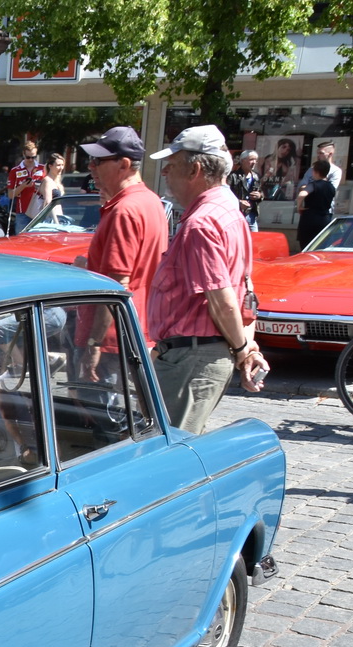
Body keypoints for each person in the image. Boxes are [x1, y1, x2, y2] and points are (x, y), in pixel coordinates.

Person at [146, 125, 266, 435]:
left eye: (171, 166)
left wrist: (243, 350)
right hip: (194, 355)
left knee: (168, 456)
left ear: (195, 170)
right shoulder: (228, 211)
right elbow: (245, 292)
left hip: (192, 360)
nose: (165, 174)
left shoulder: (202, 222)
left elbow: (223, 298)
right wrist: (247, 348)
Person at [73, 126, 168, 380]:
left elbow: (115, 286)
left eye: (98, 160)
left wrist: (95, 343)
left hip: (112, 341)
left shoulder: (124, 210)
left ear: (124, 164)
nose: (91, 167)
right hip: (134, 331)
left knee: (96, 416)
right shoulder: (149, 201)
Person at [295, 159, 337, 250]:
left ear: (315, 172)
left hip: (310, 218)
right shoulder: (331, 187)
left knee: (306, 247)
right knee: (320, 248)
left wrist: (299, 207)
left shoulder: (313, 185)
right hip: (325, 219)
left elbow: (301, 195)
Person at [7, 141, 44, 232]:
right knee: (21, 241)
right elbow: (10, 195)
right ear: (23, 154)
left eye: (33, 157)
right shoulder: (15, 171)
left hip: (40, 210)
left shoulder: (43, 168)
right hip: (22, 212)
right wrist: (23, 186)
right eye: (28, 157)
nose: (31, 160)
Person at [229, 150, 263, 230]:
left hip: (251, 215)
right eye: (251, 159)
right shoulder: (232, 176)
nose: (254, 162)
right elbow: (225, 194)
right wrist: (238, 202)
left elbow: (260, 191)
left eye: (256, 160)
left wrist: (260, 195)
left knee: (254, 240)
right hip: (236, 215)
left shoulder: (256, 176)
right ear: (243, 161)